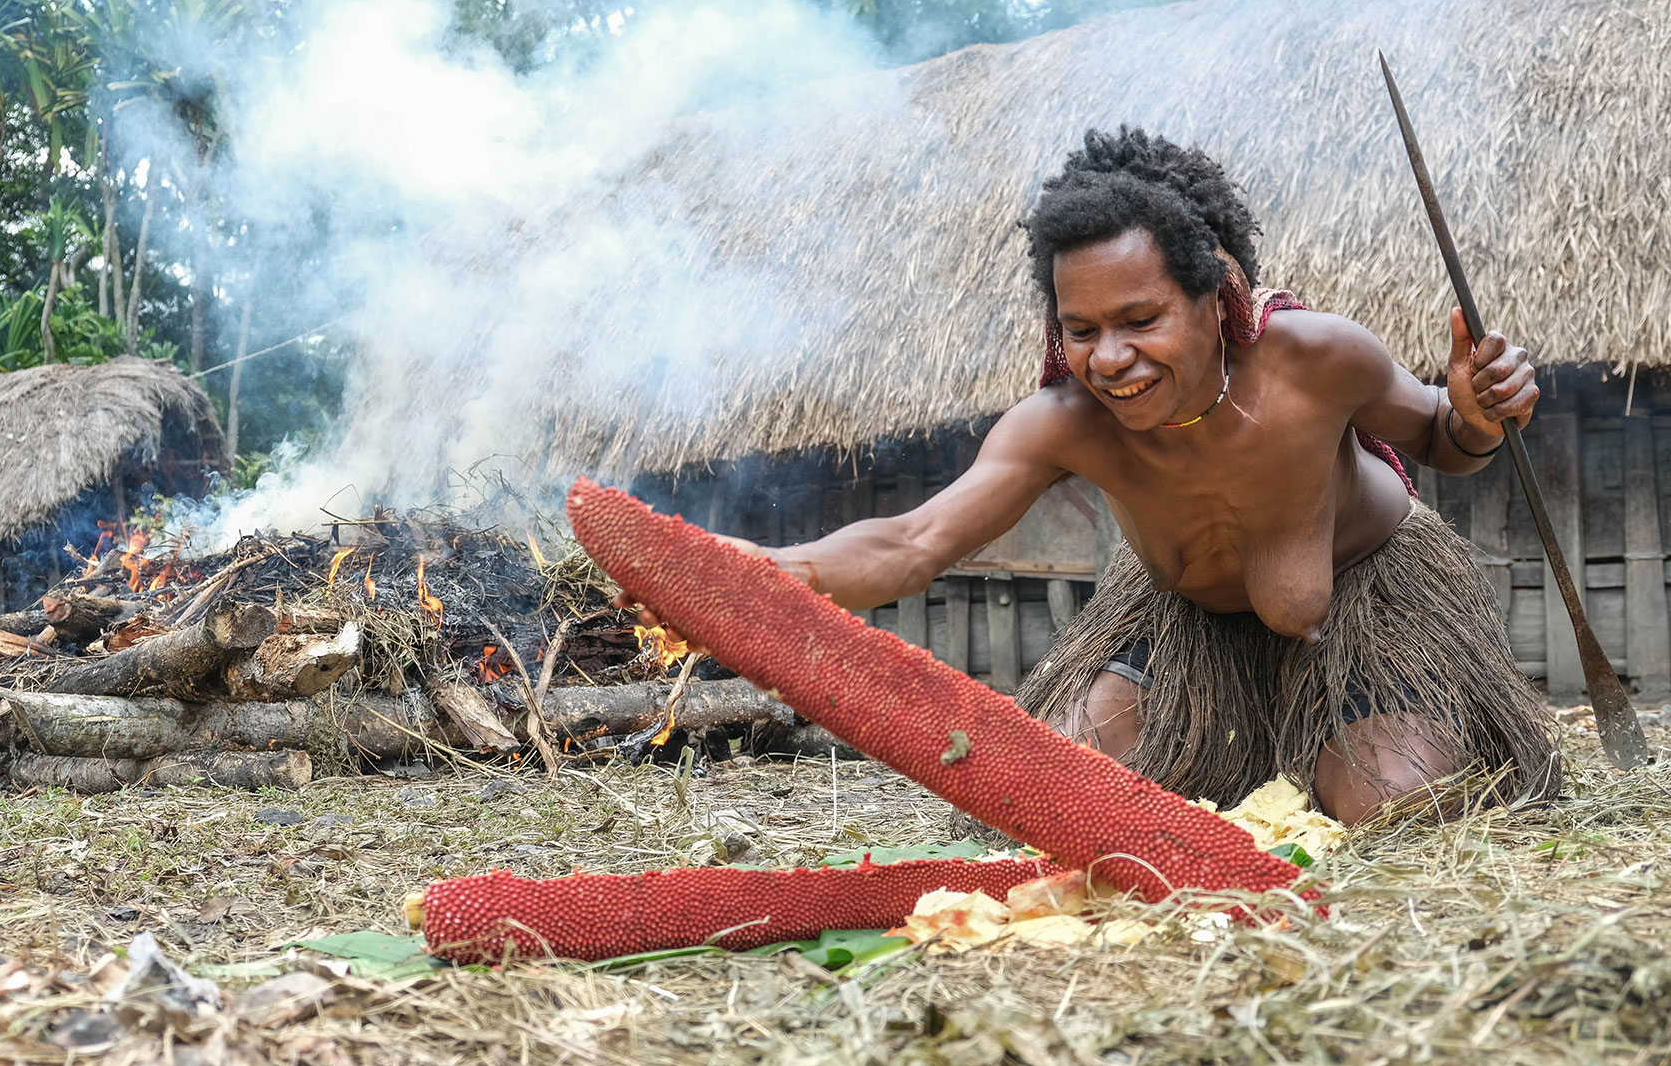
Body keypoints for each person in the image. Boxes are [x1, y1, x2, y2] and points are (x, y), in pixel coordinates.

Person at [620, 126, 1559, 823]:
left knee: (1394, 807)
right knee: (1062, 796)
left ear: (1215, 299)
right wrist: (776, 574)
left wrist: (1476, 413)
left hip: (1370, 601)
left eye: (1140, 319)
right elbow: (914, 542)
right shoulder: (1065, 424)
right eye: (1082, 331)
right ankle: (1248, 752)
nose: (1109, 357)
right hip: (1184, 623)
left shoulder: (1316, 360)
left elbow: (1443, 437)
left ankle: (1342, 747)